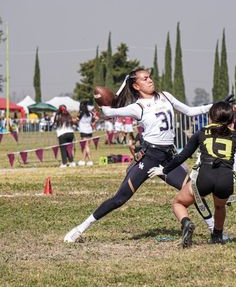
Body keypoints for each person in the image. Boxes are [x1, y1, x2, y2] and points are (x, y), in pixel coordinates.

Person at [64, 68, 214, 243]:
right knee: (120, 198)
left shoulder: (165, 96)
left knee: (194, 191)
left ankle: (214, 232)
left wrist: (216, 106)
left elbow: (189, 111)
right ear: (136, 85)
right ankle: (79, 229)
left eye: (150, 77)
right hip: (149, 158)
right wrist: (103, 101)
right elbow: (109, 113)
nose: (150, 80)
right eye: (145, 79)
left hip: (169, 157)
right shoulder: (137, 107)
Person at [148, 101, 235, 247]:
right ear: (231, 119)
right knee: (220, 207)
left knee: (179, 203)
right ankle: (217, 235)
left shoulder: (200, 133)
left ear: (211, 116)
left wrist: (164, 170)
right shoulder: (234, 135)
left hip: (205, 176)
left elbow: (182, 156)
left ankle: (186, 223)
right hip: (225, 178)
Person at [77, 100, 97, 166]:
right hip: (89, 130)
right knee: (87, 146)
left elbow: (77, 120)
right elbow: (95, 119)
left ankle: (90, 160)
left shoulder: (81, 113)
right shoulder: (90, 113)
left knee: (86, 146)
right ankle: (83, 160)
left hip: (83, 131)